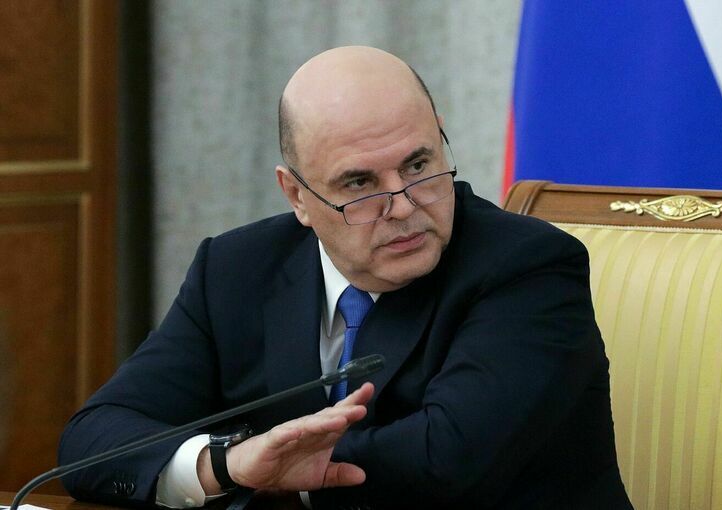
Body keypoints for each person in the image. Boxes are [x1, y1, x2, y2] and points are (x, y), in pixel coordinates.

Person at [59, 46, 632, 509]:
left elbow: (447, 459)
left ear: (441, 139)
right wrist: (226, 465)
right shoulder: (236, 269)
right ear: (297, 196)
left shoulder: (528, 266)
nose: (404, 205)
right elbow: (93, 441)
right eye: (360, 184)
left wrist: (280, 472)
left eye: (418, 165)